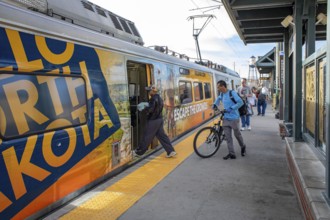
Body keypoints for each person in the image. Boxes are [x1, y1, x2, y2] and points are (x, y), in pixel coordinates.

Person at [134, 85, 177, 158]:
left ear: (153, 91)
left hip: (153, 120)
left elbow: (150, 110)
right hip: (159, 120)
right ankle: (170, 151)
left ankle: (139, 152)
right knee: (162, 136)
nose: (148, 92)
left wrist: (144, 108)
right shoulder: (159, 98)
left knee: (147, 136)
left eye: (149, 91)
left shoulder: (153, 99)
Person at [213, 80, 247, 160]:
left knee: (237, 135)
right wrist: (215, 104)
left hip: (234, 118)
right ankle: (232, 153)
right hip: (226, 118)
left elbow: (240, 102)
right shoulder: (221, 94)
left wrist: (231, 108)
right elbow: (218, 99)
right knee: (228, 137)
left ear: (223, 86)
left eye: (218, 87)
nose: (217, 89)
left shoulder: (232, 93)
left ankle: (243, 146)